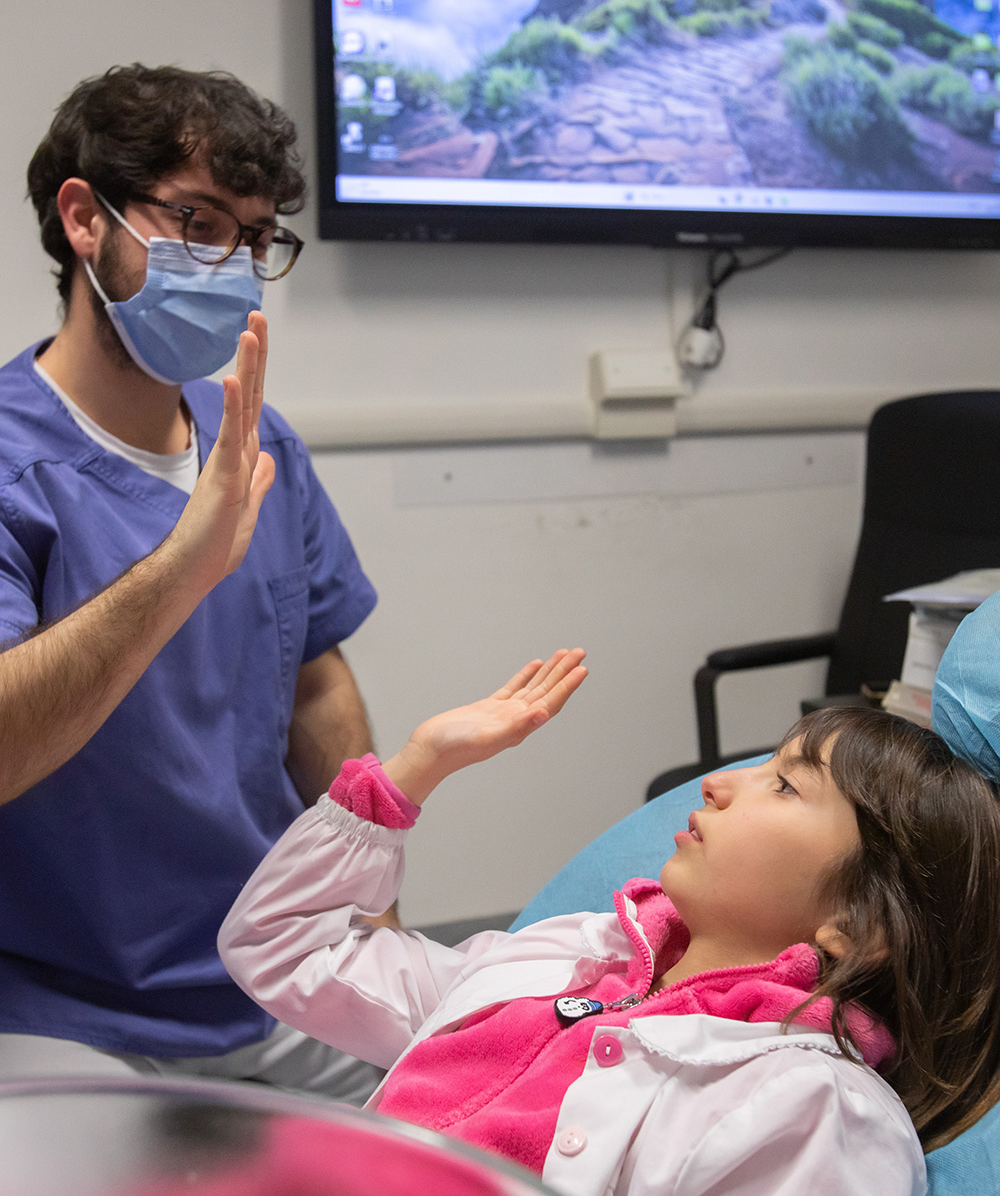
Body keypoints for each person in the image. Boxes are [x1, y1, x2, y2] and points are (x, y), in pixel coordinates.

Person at [219, 648, 1000, 1196]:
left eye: (786, 786)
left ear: (860, 925)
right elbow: (280, 943)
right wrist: (418, 764)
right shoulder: (562, 964)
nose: (719, 783)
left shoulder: (806, 1109)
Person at [0, 64, 382, 1101]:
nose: (233, 266)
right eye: (199, 223)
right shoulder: (14, 468)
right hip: (57, 1006)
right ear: (86, 218)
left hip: (269, 975)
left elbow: (315, 681)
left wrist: (370, 903)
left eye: (255, 239)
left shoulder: (260, 443)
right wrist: (183, 565)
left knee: (477, 1124)